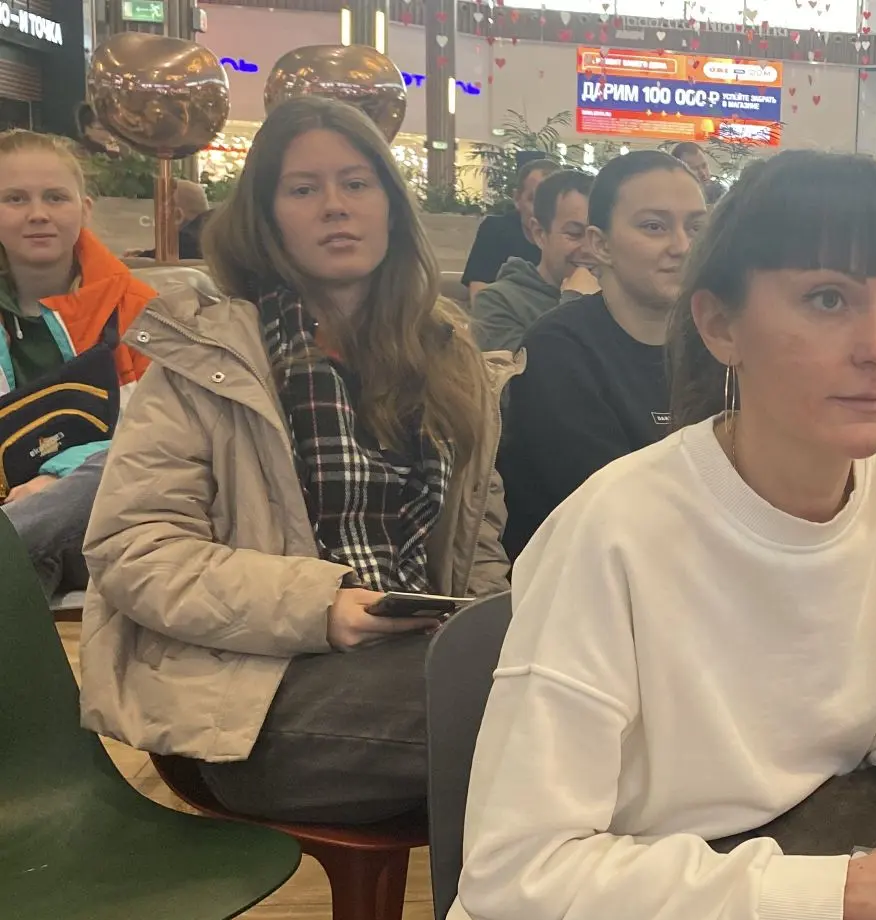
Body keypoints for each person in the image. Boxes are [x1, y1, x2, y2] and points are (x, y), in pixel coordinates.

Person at [447, 150, 876, 920]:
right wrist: (827, 890)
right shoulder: (616, 532)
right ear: (720, 325)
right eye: (828, 299)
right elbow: (518, 880)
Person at [78, 96, 515, 825]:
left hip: (415, 657)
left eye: (356, 183)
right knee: (536, 727)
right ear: (267, 217)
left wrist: (489, 630)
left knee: (569, 694)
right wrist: (321, 607)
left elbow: (478, 545)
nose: (335, 206)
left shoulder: (449, 357)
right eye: (304, 189)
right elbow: (134, 552)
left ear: (390, 205)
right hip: (245, 699)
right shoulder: (207, 356)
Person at [497, 151, 706, 557]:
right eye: (654, 226)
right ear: (601, 245)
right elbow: (616, 516)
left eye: (696, 227)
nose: (682, 246)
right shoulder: (558, 350)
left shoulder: (718, 347)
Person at [0, 130, 154, 599]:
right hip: (24, 529)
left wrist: (56, 477)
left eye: (55, 197)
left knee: (114, 466)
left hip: (110, 511)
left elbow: (166, 438)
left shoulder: (140, 309)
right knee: (24, 574)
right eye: (15, 199)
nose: (38, 213)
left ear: (85, 210)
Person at [470, 168, 599, 354]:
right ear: (539, 234)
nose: (589, 249)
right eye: (574, 234)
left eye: (598, 236)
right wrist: (576, 305)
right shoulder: (498, 302)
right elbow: (532, 371)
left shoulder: (620, 297)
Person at [462, 156, 560, 300]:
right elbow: (480, 296)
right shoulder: (495, 231)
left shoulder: (570, 241)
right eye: (534, 200)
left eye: (551, 202)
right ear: (517, 199)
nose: (542, 210)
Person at [127, 179, 211, 261]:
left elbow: (163, 262)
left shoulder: (183, 243)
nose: (158, 221)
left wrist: (138, 258)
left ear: (178, 215)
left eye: (164, 212)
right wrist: (146, 254)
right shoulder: (210, 236)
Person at [670, 140, 724, 205]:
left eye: (704, 166)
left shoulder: (721, 194)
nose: (703, 174)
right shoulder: (669, 201)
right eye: (694, 168)